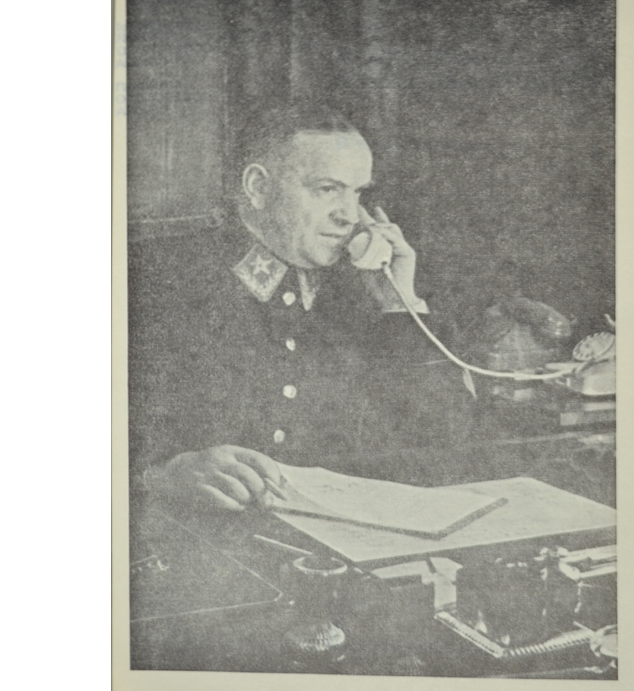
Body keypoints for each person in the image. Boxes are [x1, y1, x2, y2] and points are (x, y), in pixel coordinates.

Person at [128, 104, 472, 515]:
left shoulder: (365, 290)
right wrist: (161, 475)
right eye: (327, 189)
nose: (349, 216)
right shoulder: (155, 280)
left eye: (358, 193)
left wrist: (400, 305)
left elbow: (443, 451)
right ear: (258, 187)